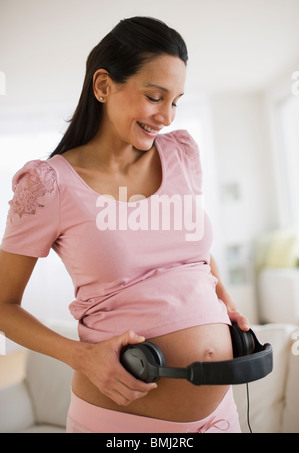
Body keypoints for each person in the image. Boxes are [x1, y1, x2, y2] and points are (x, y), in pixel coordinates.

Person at [0, 17, 250, 433]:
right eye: (155, 96)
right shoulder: (49, 184)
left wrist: (224, 298)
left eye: (176, 101)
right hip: (121, 423)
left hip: (219, 414)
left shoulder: (182, 153)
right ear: (103, 86)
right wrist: (79, 356)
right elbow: (3, 305)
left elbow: (192, 251)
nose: (166, 116)